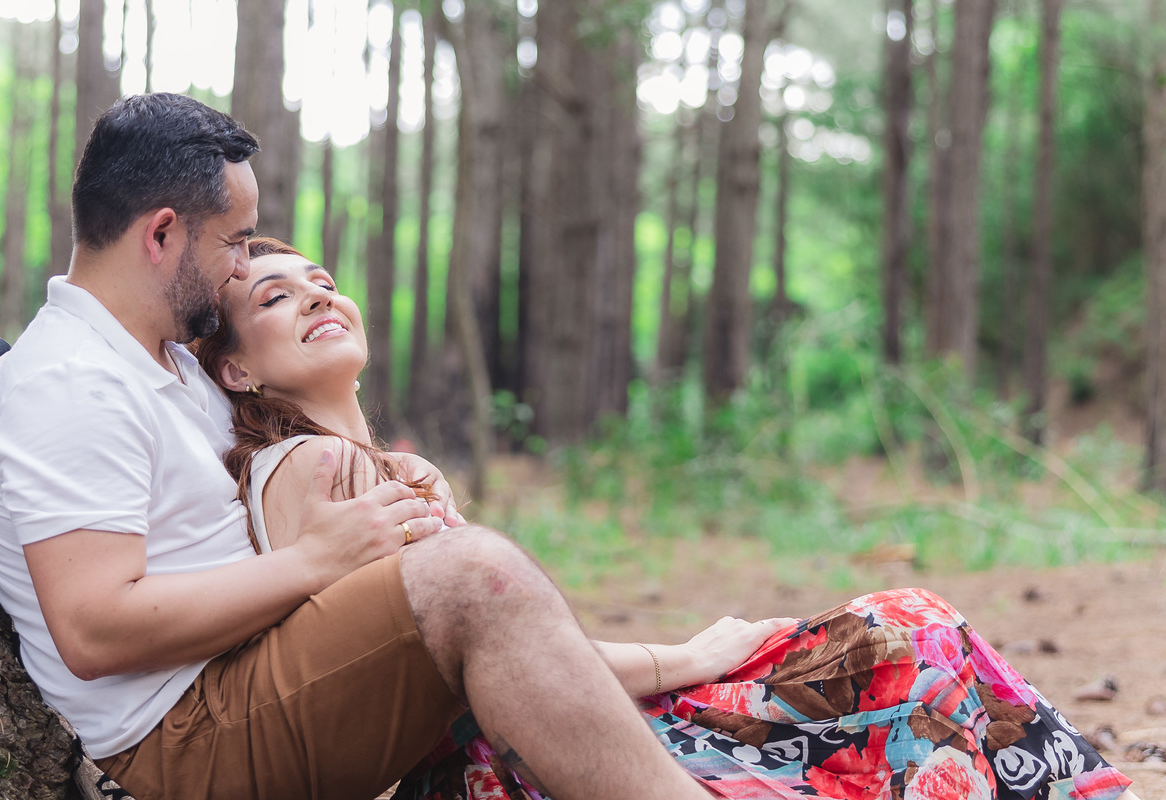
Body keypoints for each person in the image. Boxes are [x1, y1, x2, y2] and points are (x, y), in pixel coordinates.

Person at [0, 93, 728, 800]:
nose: (242, 265)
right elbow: (95, 631)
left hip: (254, 670)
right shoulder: (70, 383)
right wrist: (314, 561)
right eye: (234, 241)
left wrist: (388, 478)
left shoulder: (161, 358)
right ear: (161, 234)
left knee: (467, 574)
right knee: (472, 577)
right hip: (189, 732)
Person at [194, 237, 1137, 800]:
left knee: (907, 629)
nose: (316, 294)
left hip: (549, 724)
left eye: (321, 279)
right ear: (236, 370)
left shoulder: (395, 470)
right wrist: (687, 657)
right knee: (908, 634)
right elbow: (465, 666)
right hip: (517, 762)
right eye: (275, 297)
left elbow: (526, 647)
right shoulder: (308, 466)